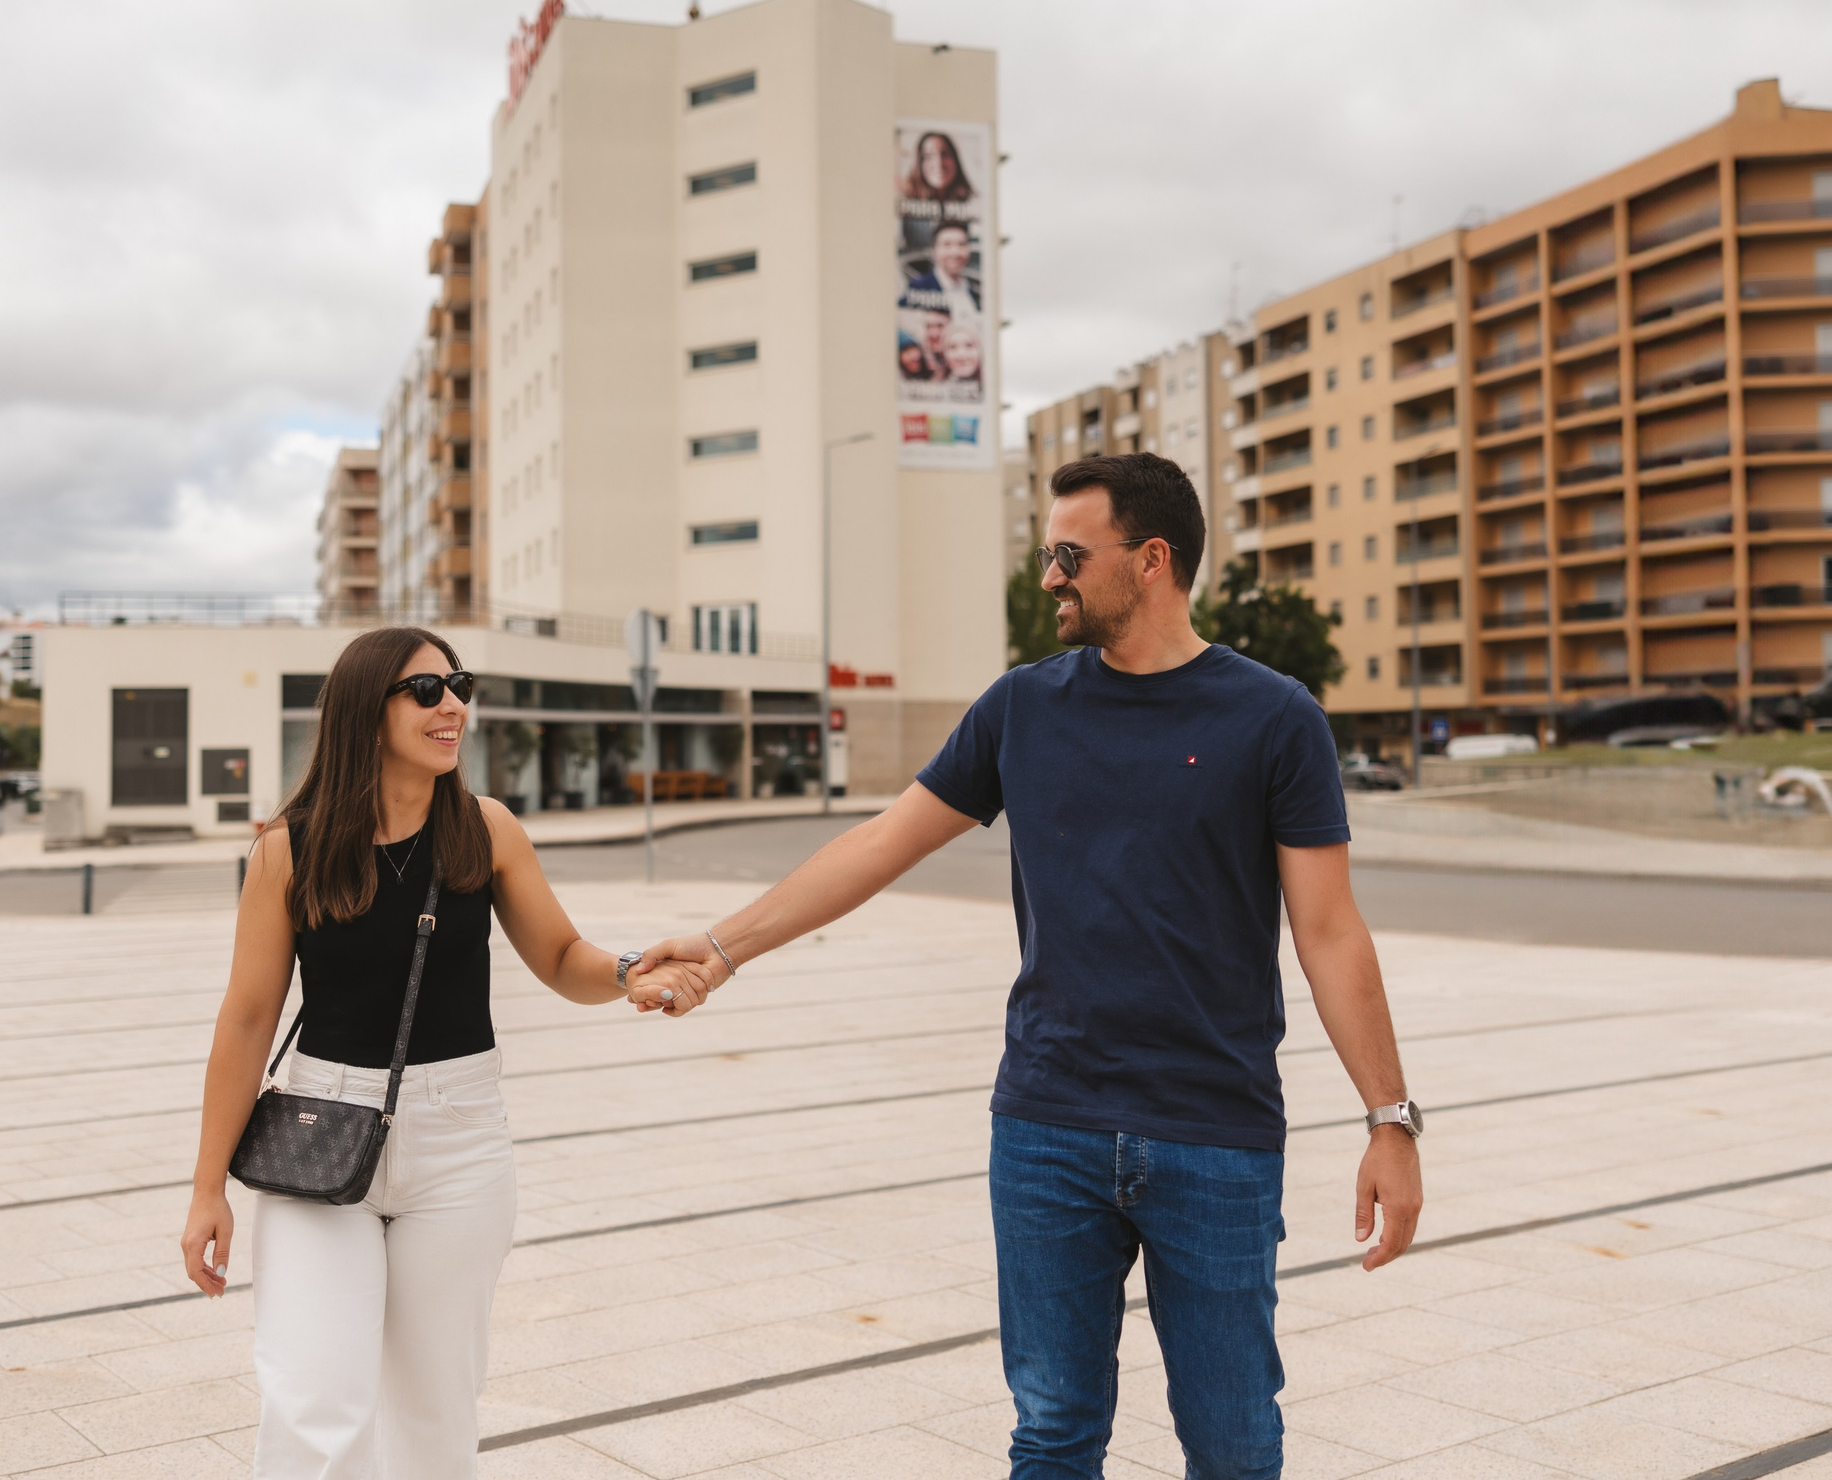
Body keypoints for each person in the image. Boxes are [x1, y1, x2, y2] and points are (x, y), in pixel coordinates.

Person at [633, 451, 1423, 1480]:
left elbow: (1329, 932)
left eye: (1068, 555)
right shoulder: (1021, 708)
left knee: (1234, 1444)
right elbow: (879, 844)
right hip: (1047, 1129)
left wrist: (1389, 1119)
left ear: (1151, 560)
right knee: (1051, 1436)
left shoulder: (1274, 718)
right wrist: (721, 947)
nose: (1049, 576)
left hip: (1214, 1136)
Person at [180, 626, 708, 1480]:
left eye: (459, 685)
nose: (453, 704)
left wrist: (628, 972)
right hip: (321, 1128)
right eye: (427, 689)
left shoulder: (485, 828)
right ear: (367, 709)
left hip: (459, 1141)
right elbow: (246, 1020)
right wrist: (208, 1187)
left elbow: (559, 955)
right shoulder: (288, 846)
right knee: (314, 1401)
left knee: (434, 1414)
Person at [902, 220, 982, 321]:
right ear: (934, 250)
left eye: (961, 244)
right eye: (947, 245)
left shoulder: (975, 289)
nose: (955, 252)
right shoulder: (918, 288)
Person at [902, 128, 975, 204]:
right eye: (928, 156)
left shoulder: (973, 203)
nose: (939, 163)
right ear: (919, 163)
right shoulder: (905, 203)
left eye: (944, 154)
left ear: (955, 160)